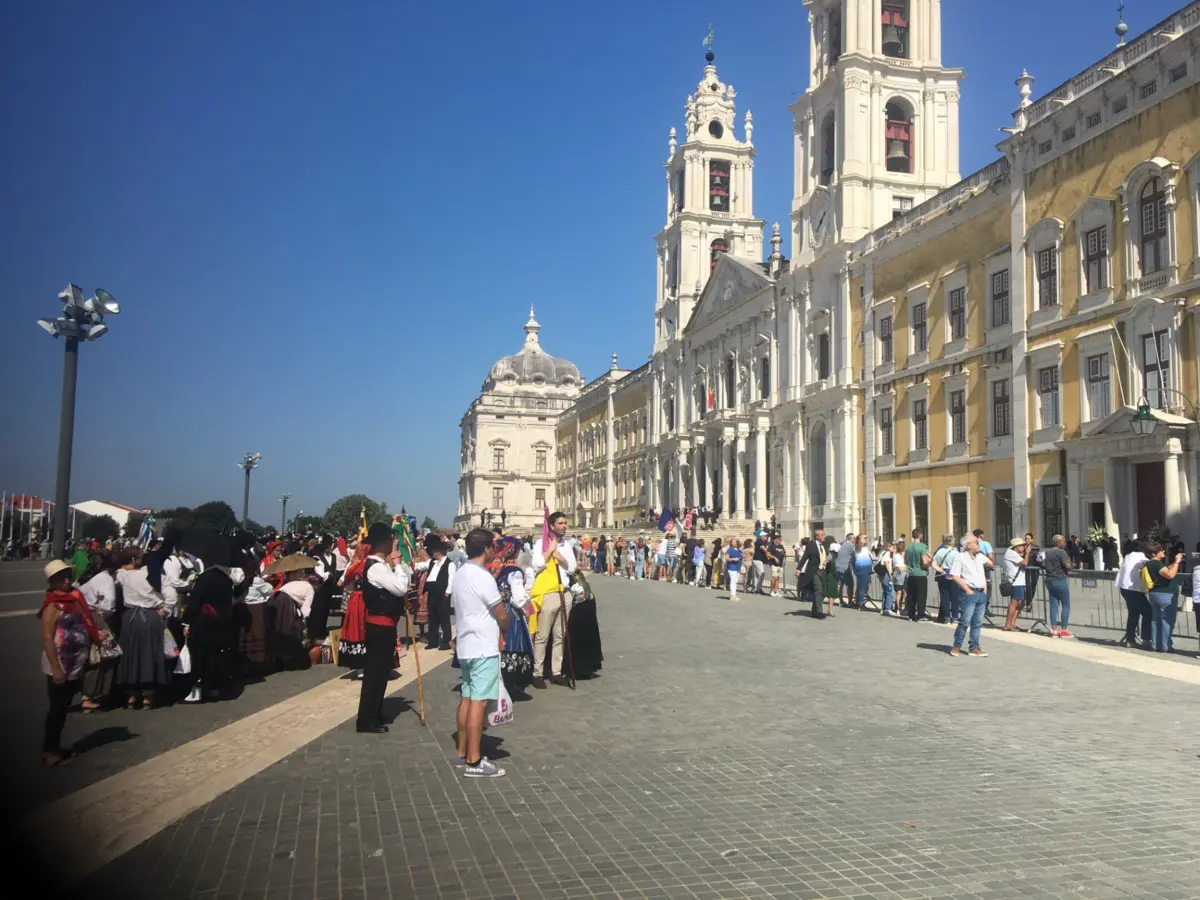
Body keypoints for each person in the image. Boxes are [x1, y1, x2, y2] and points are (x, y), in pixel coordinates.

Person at [453, 528, 510, 778]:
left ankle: (463, 751)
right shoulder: (482, 576)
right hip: (482, 645)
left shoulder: (461, 572)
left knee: (467, 697)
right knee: (479, 701)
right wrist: (506, 630)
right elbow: (500, 612)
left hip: (466, 643)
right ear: (487, 549)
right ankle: (474, 761)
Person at [39, 560, 103, 766]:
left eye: (68, 576)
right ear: (53, 582)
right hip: (59, 663)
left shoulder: (74, 598)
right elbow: (48, 638)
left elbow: (86, 621)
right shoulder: (52, 605)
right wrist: (56, 668)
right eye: (62, 578)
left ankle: (55, 747)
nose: (67, 580)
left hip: (75, 661)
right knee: (57, 708)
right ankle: (49, 751)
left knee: (63, 706)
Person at [356, 523, 412, 734]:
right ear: (382, 543)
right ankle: (367, 719)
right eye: (391, 540)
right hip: (379, 627)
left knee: (381, 673)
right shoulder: (377, 567)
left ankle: (375, 712)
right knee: (375, 674)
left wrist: (398, 565)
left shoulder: (380, 565)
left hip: (385, 625)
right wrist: (397, 565)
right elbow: (400, 588)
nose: (393, 543)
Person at [114, 547, 171, 709]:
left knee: (131, 654)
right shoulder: (155, 575)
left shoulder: (122, 575)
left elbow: (117, 577)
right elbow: (171, 598)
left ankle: (131, 694)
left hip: (130, 617)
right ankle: (148, 694)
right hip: (152, 616)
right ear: (134, 560)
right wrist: (164, 611)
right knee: (150, 654)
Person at [530, 511, 577, 689]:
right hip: (548, 593)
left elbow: (572, 568)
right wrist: (550, 551)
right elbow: (536, 565)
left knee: (560, 634)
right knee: (543, 635)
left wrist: (561, 558)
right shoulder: (540, 543)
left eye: (565, 523)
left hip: (564, 591)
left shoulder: (567, 545)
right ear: (551, 525)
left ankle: (556, 671)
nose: (564, 526)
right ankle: (537, 672)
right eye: (560, 523)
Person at [78, 553, 119, 711]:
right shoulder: (106, 578)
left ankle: (85, 694)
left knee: (89, 656)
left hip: (82, 615)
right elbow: (109, 604)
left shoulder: (85, 577)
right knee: (102, 656)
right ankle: (94, 694)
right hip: (98, 617)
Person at [949, 535, 990, 658]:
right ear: (968, 545)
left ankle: (974, 647)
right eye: (976, 542)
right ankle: (957, 645)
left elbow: (991, 563)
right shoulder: (960, 557)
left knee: (977, 622)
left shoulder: (980, 557)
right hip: (969, 593)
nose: (979, 544)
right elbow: (954, 575)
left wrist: (985, 590)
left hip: (980, 592)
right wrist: (967, 589)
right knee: (965, 621)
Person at [414, 535, 456, 651]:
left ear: (438, 552)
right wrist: (412, 565)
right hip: (432, 592)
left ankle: (446, 641)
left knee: (444, 618)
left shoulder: (449, 564)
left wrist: (447, 593)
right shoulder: (432, 562)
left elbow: (452, 579)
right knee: (432, 617)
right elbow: (421, 566)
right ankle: (433, 640)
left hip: (443, 593)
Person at [1145, 542, 1184, 653]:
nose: (1163, 551)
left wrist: (1174, 564)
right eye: (1161, 550)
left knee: (1156, 621)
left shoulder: (1150, 564)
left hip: (1155, 594)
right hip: (1166, 594)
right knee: (1167, 620)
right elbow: (1170, 575)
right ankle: (1166, 646)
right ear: (1153, 553)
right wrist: (1176, 562)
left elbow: (1165, 571)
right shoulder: (1156, 563)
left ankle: (1155, 644)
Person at [1115, 540, 1150, 648]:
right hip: (1133, 589)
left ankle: (1130, 639)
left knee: (1133, 613)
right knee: (1149, 612)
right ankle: (1146, 638)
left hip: (1124, 587)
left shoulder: (1128, 556)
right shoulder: (1142, 558)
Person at [1042, 535, 1073, 638]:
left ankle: (1054, 630)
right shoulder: (1061, 552)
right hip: (1060, 579)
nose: (1064, 543)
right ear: (1058, 542)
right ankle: (1064, 630)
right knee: (1066, 605)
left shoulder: (1047, 552)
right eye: (1063, 542)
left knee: (1054, 605)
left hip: (1049, 579)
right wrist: (1073, 564)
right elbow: (1067, 565)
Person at [1001, 536, 1032, 632]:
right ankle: (1008, 624)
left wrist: (1025, 552)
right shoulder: (1011, 554)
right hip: (1015, 582)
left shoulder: (1012, 552)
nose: (1023, 547)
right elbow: (1025, 562)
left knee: (1021, 602)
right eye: (1022, 545)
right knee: (1014, 602)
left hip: (1019, 581)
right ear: (1016, 547)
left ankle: (1012, 623)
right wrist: (1027, 553)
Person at [799, 529, 827, 619]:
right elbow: (804, 558)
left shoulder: (824, 545)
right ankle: (819, 612)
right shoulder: (811, 546)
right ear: (817, 536)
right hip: (814, 571)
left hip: (823, 570)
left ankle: (814, 611)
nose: (824, 536)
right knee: (818, 590)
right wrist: (798, 569)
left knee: (820, 592)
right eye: (822, 535)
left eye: (824, 534)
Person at [931, 534, 959, 624]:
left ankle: (946, 617)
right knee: (954, 597)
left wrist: (941, 570)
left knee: (944, 597)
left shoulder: (940, 551)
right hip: (953, 575)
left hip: (942, 575)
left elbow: (933, 564)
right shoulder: (956, 553)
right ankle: (954, 617)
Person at [904, 528, 931, 622]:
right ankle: (920, 614)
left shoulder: (908, 547)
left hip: (911, 574)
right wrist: (929, 563)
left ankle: (910, 614)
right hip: (921, 574)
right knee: (921, 596)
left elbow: (905, 561)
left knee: (911, 595)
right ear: (920, 536)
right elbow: (924, 561)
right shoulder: (922, 546)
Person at [852, 535, 873, 609]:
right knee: (862, 587)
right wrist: (861, 539)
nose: (866, 539)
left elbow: (872, 557)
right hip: (861, 569)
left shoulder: (865, 548)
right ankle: (860, 604)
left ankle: (859, 601)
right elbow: (859, 545)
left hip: (867, 569)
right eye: (864, 538)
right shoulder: (857, 548)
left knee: (865, 586)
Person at [834, 534, 855, 607]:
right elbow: (855, 555)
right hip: (845, 568)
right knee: (850, 585)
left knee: (840, 584)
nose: (855, 539)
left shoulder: (843, 544)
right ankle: (850, 601)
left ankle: (840, 601)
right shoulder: (851, 545)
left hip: (837, 566)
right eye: (854, 538)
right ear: (851, 539)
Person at [877, 540, 896, 616]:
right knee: (890, 591)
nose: (893, 548)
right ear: (888, 547)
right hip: (886, 574)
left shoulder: (881, 553)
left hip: (881, 574)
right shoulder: (887, 553)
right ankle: (888, 608)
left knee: (885, 591)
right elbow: (886, 564)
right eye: (892, 547)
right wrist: (890, 575)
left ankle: (883, 607)